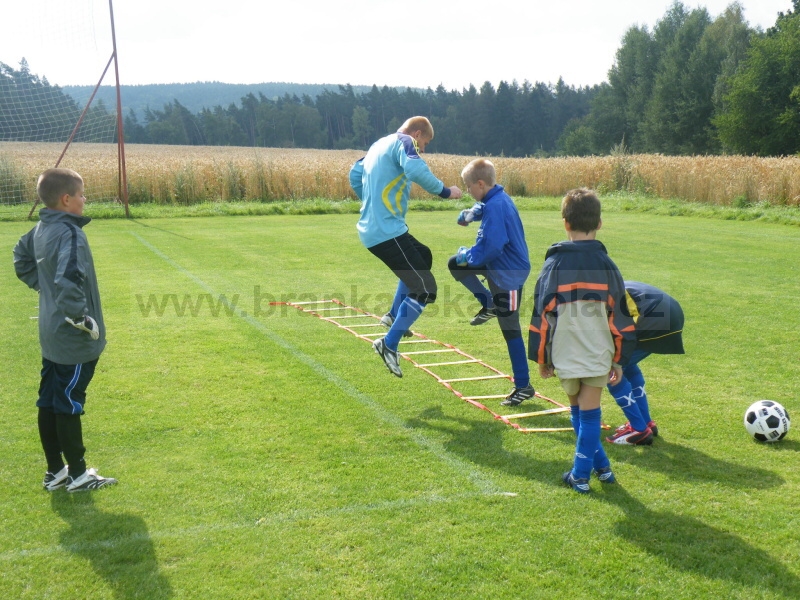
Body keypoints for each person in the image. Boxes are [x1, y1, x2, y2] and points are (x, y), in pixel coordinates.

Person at [13, 168, 117, 492]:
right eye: (82, 195)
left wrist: (46, 291)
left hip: (51, 335)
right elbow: (68, 279)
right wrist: (81, 319)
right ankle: (79, 475)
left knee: (49, 399)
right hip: (71, 337)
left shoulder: (40, 228)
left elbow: (21, 260)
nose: (85, 200)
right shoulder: (71, 233)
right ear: (66, 199)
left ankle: (55, 471)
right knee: (68, 402)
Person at [528, 188, 636, 493]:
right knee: (585, 415)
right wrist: (619, 357)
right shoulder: (607, 266)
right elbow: (621, 314)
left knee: (580, 414)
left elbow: (542, 313)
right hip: (598, 351)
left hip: (564, 352)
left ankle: (579, 475)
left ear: (565, 223)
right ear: (599, 223)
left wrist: (542, 357)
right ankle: (601, 468)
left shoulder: (554, 265)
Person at [349, 116, 462, 377]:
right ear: (418, 132)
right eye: (425, 142)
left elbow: (354, 174)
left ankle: (392, 314)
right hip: (386, 231)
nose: (423, 148)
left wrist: (370, 202)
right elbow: (415, 169)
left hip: (380, 228)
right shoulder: (404, 141)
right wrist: (446, 191)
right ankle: (389, 344)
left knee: (422, 255)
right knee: (425, 288)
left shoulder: (379, 144)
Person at [448, 158, 534, 407]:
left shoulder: (497, 205)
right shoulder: (495, 198)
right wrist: (469, 213)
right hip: (500, 266)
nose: (467, 191)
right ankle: (488, 304)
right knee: (455, 264)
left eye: (468, 186)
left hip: (509, 274)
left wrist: (469, 255)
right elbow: (482, 207)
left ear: (481, 183)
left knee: (511, 329)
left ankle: (524, 386)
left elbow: (493, 246)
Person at [605, 281, 685, 445]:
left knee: (611, 372)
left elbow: (619, 331)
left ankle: (638, 429)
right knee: (627, 365)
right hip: (672, 313)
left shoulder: (597, 295)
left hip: (654, 321)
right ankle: (646, 422)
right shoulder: (609, 284)